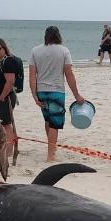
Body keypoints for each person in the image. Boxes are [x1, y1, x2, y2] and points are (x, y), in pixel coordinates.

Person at [29, 26, 85, 162]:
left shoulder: (35, 50)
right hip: (56, 91)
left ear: (45, 36)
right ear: (58, 36)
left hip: (41, 90)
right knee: (54, 123)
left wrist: (34, 95)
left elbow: (32, 75)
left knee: (48, 120)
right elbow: (69, 74)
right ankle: (51, 155)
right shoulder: (64, 51)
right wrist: (77, 95)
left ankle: (51, 148)